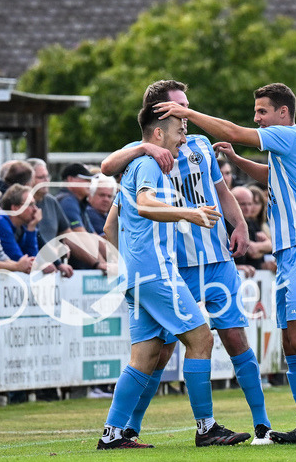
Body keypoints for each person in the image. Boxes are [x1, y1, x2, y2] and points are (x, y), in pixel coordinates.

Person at [157, 83, 296, 444]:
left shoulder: (289, 134)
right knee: (290, 343)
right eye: (255, 113)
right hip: (288, 252)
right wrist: (237, 162)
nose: (256, 118)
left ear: (283, 114)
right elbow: (273, 178)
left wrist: (188, 115)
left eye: (262, 112)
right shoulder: (288, 150)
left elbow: (237, 132)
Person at [99, 79, 270, 443]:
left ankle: (115, 432)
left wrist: (238, 224)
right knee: (188, 344)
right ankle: (202, 428)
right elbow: (121, 183)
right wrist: (187, 213)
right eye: (180, 111)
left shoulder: (195, 147)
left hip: (205, 261)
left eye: (188, 109)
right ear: (160, 121)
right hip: (166, 269)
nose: (187, 117)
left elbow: (111, 225)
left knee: (149, 353)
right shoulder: (147, 157)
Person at [0, 184, 73, 276]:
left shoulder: (23, 226)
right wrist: (39, 265)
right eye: (30, 204)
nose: (35, 209)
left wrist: (32, 227)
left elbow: (32, 254)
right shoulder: (1, 223)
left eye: (34, 204)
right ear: (15, 208)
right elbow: (18, 259)